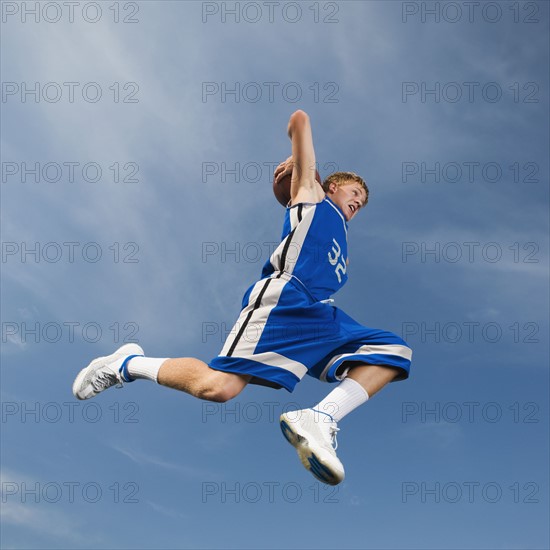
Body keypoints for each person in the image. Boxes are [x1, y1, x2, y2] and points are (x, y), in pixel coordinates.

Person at [72, 110, 412, 485]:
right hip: (286, 299)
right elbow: (299, 120)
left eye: (362, 202)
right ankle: (125, 364)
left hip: (321, 314)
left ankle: (321, 417)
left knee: (393, 351)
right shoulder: (312, 197)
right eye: (354, 194)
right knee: (218, 389)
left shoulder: (340, 236)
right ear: (332, 186)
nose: (357, 203)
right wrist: (299, 154)